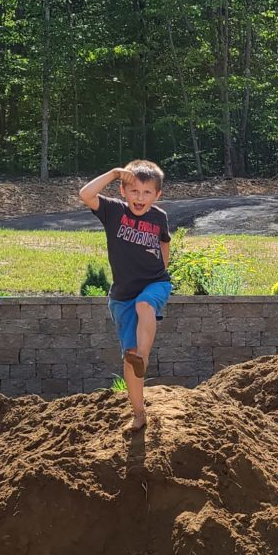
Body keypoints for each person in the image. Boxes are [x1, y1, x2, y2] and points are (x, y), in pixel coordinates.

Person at [79, 160, 172, 430]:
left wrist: (163, 270)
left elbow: (164, 242)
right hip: (121, 296)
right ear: (123, 191)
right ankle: (139, 412)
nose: (139, 198)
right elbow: (85, 194)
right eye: (134, 191)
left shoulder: (159, 217)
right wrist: (112, 173)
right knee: (128, 356)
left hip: (155, 283)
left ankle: (142, 356)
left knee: (145, 305)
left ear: (157, 196)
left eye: (146, 193)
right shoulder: (113, 212)